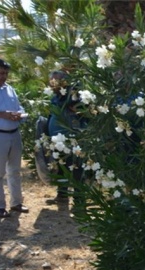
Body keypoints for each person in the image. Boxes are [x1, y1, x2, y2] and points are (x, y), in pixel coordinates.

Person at [0, 57, 28, 218]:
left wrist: (19, 115)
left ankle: (16, 203)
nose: (4, 76)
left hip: (14, 134)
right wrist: (3, 114)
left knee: (15, 171)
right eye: (1, 73)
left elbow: (19, 107)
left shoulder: (9, 89)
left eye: (6, 73)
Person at [44, 70, 86, 206]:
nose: (53, 84)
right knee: (61, 167)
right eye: (52, 81)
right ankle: (62, 194)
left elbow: (81, 111)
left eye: (56, 81)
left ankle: (79, 200)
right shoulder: (55, 97)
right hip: (58, 139)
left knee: (77, 169)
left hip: (73, 138)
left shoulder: (73, 96)